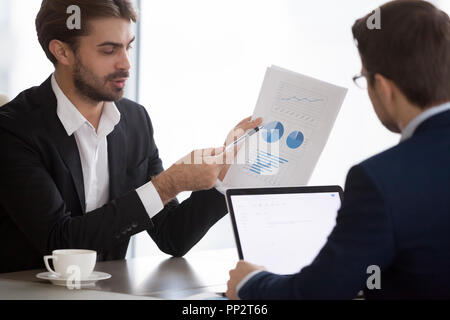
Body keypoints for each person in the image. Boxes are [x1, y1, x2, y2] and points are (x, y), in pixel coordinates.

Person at [0, 0, 262, 273]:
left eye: (128, 46)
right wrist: (165, 186)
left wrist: (224, 174)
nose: (125, 63)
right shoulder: (13, 129)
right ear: (62, 51)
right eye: (109, 50)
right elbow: (59, 242)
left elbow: (172, 236)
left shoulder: (135, 121)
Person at [226, 0, 450, 300]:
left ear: (382, 87)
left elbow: (315, 294)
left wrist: (249, 282)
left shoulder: (380, 180)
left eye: (363, 79)